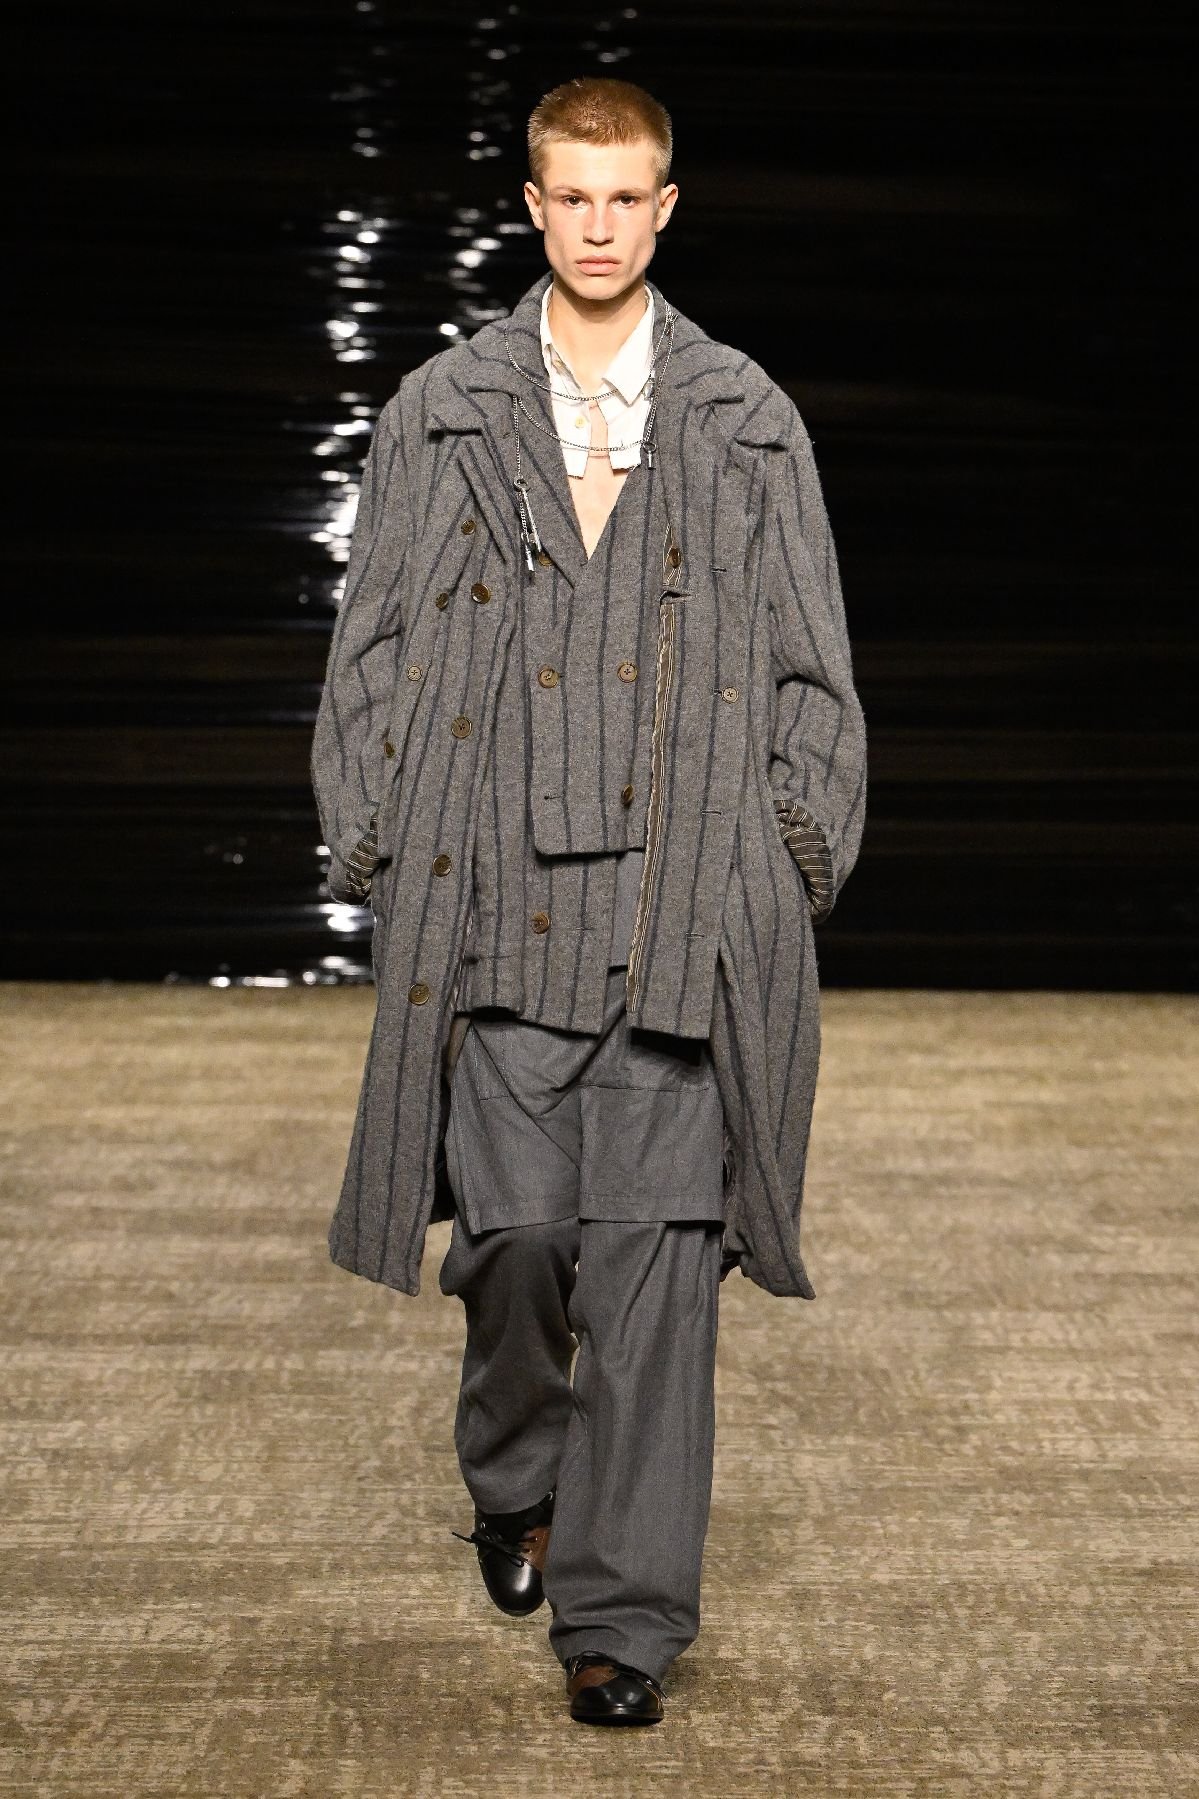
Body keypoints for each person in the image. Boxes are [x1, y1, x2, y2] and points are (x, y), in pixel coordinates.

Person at [310, 74, 867, 1727]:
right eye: (575, 196)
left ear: (665, 208)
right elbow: (371, 644)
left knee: (655, 1277)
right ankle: (514, 1477)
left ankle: (622, 1621)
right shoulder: (443, 411)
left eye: (629, 197)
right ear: (535, 206)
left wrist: (788, 844)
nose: (602, 225)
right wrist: (380, 829)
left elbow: (813, 662)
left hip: (683, 914)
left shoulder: (748, 419)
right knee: (519, 1245)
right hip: (496, 905)